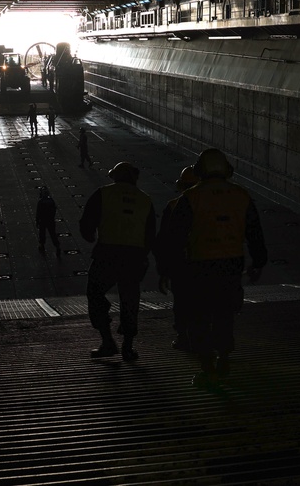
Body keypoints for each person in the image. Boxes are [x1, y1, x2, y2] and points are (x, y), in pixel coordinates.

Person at [155, 149, 267, 388]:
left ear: (200, 171)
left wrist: (166, 269)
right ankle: (224, 358)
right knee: (225, 313)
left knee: (200, 316)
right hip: (231, 264)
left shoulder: (191, 197)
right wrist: (258, 263)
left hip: (200, 265)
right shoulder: (241, 195)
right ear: (227, 170)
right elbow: (255, 233)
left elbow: (173, 239)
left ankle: (207, 366)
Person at [78, 161, 156, 362]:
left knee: (95, 293)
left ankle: (107, 340)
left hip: (107, 254)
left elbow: (87, 224)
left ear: (114, 176)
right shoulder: (145, 200)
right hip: (134, 258)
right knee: (130, 300)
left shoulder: (103, 193)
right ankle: (128, 347)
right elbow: (150, 235)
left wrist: (90, 236)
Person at [154, 166, 199, 351]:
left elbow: (165, 241)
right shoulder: (212, 205)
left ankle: (183, 336)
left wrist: (163, 271)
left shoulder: (173, 206)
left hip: (181, 263)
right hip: (207, 261)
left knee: (181, 301)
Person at [35, 187, 61, 258]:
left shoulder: (41, 202)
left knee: (42, 233)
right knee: (53, 234)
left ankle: (42, 245)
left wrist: (37, 221)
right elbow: (54, 210)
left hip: (43, 220)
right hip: (50, 220)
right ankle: (57, 246)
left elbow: (38, 212)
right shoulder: (51, 201)